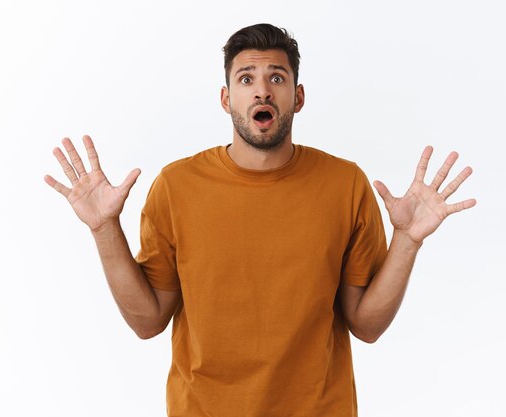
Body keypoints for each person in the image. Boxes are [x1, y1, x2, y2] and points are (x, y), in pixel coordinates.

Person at [44, 23, 475, 417]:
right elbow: (147, 320)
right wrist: (104, 229)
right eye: (246, 78)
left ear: (298, 97)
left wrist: (407, 240)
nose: (262, 91)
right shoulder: (176, 187)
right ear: (226, 98)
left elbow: (366, 324)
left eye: (277, 78)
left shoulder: (346, 185)